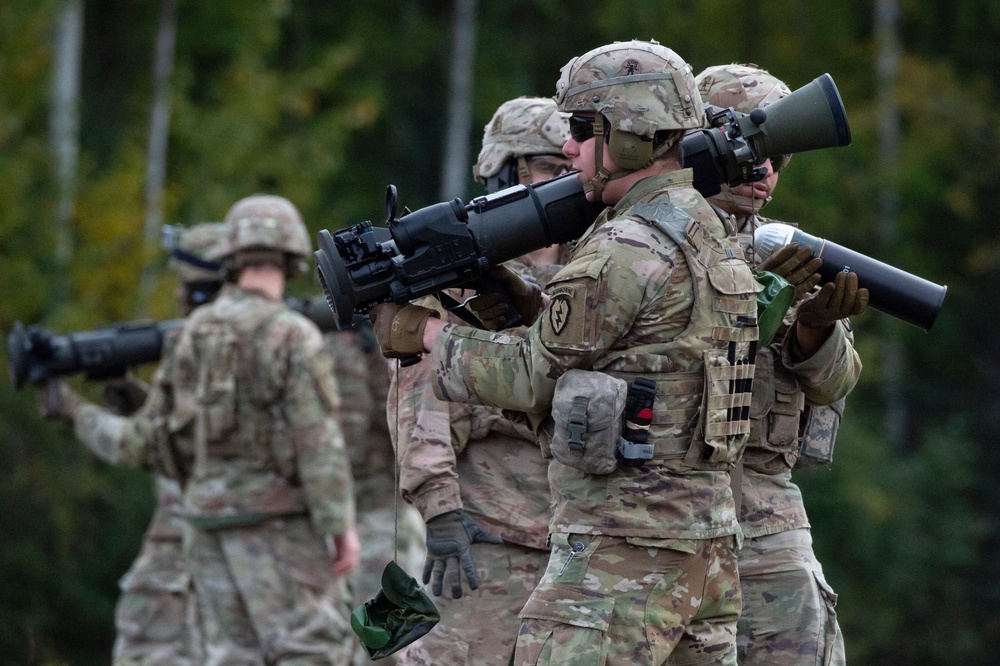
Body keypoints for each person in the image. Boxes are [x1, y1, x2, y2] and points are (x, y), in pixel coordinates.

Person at [369, 40, 761, 666]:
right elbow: (623, 358)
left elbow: (530, 375)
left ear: (631, 136)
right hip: (705, 544)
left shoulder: (624, 246)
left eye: (583, 129)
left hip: (620, 552)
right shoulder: (706, 231)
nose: (571, 147)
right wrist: (514, 298)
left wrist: (424, 333)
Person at [387, 96, 572, 665]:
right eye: (545, 169)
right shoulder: (461, 279)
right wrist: (441, 511)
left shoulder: (599, 269)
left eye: (569, 167)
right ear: (504, 170)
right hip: (485, 538)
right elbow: (422, 407)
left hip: (582, 543)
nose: (562, 181)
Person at [695, 64, 868, 666]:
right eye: (751, 149)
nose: (765, 169)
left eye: (778, 155)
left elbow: (837, 382)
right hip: (665, 508)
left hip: (767, 514)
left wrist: (815, 325)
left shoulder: (785, 249)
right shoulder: (646, 244)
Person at [38, 222, 226, 666]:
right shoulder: (274, 341)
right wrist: (133, 397)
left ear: (201, 291)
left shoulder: (194, 346)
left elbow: (141, 447)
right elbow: (187, 441)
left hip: (183, 552)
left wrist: (73, 411)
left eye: (184, 286)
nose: (178, 297)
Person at [324, 321, 427, 666]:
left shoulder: (391, 348)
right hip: (332, 524)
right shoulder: (317, 344)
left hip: (385, 518)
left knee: (388, 652)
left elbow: (406, 426)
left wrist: (376, 355)